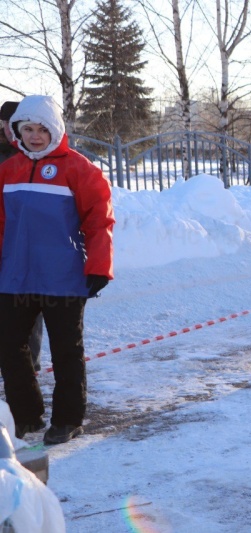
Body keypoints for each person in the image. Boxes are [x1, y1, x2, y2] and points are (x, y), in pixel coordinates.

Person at [0, 95, 114, 445]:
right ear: (16, 132)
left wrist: (98, 266)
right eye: (27, 129)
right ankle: (27, 417)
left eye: (41, 129)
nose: (34, 136)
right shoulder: (8, 170)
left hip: (62, 276)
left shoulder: (79, 168)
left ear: (56, 129)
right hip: (16, 276)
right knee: (9, 347)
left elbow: (100, 221)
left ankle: (68, 419)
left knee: (66, 350)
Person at [0, 100, 45, 373]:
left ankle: (30, 363)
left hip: (26, 243)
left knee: (29, 306)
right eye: (8, 125)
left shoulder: (35, 154)